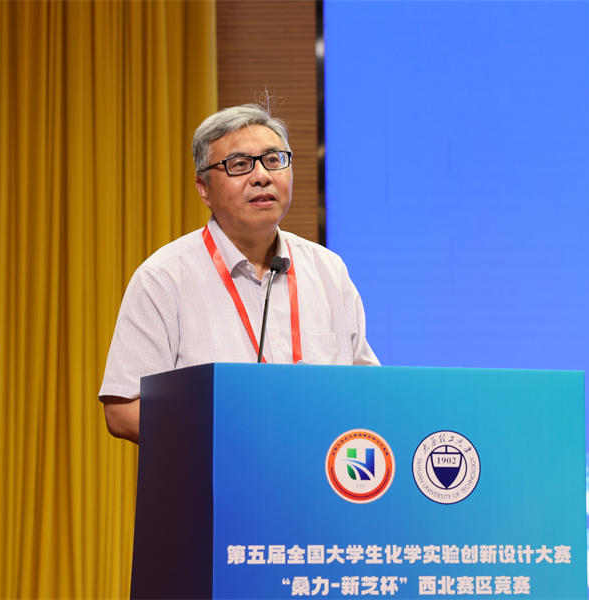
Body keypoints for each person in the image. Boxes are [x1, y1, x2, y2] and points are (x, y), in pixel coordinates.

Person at [98, 101, 379, 443]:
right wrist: (233, 435)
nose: (262, 176)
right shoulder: (164, 278)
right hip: (216, 474)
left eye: (273, 160)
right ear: (204, 188)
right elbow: (122, 410)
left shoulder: (327, 270)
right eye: (240, 165)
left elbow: (369, 389)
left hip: (317, 470)